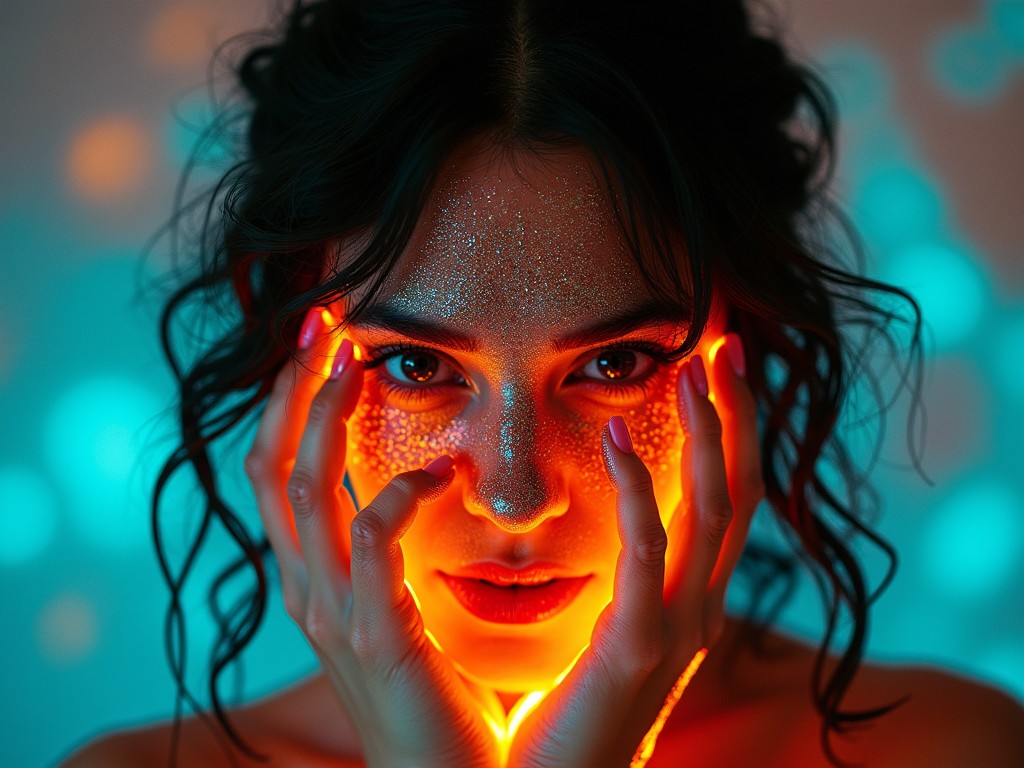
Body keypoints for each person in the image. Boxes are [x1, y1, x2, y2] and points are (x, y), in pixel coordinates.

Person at [63, 0, 1024, 766]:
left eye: (617, 364)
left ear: (746, 347)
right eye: (416, 366)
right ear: (296, 378)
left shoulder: (945, 749)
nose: (517, 497)